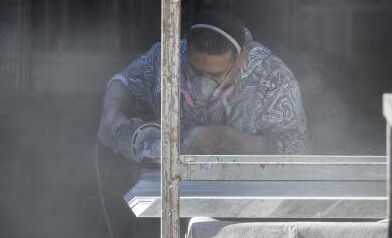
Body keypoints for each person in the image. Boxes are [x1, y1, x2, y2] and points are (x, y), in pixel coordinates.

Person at [97, 11, 308, 160]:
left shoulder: (273, 77)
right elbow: (124, 81)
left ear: (241, 59)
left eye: (216, 74)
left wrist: (223, 138)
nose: (203, 80)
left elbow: (295, 147)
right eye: (195, 71)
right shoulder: (169, 56)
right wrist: (111, 113)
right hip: (167, 186)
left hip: (246, 191)